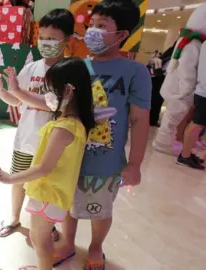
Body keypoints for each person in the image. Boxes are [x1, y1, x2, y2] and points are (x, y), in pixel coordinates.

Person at [54, 1, 152, 269]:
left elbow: (140, 120)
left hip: (106, 161)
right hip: (68, 156)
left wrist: (134, 164)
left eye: (101, 26)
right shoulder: (75, 66)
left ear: (121, 35)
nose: (92, 31)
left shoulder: (135, 72)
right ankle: (66, 243)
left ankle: (96, 246)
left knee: (100, 210)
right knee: (67, 204)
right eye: (91, 25)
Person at [0, 58, 96, 270]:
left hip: (49, 193)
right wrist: (14, 90)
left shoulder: (64, 128)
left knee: (39, 238)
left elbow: (43, 168)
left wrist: (10, 178)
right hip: (53, 193)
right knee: (41, 236)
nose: (45, 96)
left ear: (67, 92)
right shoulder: (73, 122)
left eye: (49, 90)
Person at [0, 8, 75, 240]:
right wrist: (0, 89)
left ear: (66, 40)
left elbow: (55, 104)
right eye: (42, 38)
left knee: (48, 184)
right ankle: (14, 219)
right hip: (26, 139)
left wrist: (17, 91)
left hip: (52, 144)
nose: (45, 43)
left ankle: (48, 224)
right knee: (19, 180)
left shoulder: (69, 71)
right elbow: (16, 101)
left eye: (52, 39)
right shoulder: (32, 68)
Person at [153, 3, 206, 155]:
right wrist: (188, 88)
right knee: (172, 117)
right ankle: (162, 144)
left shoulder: (188, 42)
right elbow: (187, 70)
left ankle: (164, 142)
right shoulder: (193, 44)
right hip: (180, 90)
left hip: (177, 88)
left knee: (171, 117)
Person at [178, 38, 206, 170]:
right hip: (205, 91)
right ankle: (185, 155)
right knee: (197, 124)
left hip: (203, 90)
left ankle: (187, 153)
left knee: (198, 124)